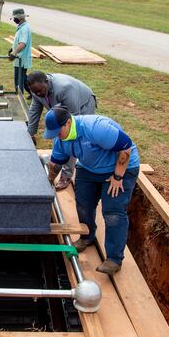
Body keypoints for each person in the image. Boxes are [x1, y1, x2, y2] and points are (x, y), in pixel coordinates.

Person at [43, 105, 140, 276]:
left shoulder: (95, 128)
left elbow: (126, 147)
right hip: (89, 168)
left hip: (118, 168)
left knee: (113, 212)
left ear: (68, 123)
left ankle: (114, 259)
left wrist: (118, 177)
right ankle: (87, 237)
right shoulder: (61, 139)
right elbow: (56, 163)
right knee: (83, 203)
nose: (57, 136)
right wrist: (48, 182)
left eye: (58, 132)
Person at [27, 71, 97, 190]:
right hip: (61, 108)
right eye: (36, 92)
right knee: (60, 138)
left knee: (70, 139)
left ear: (47, 82)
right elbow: (35, 110)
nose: (39, 94)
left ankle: (66, 175)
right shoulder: (37, 91)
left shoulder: (64, 88)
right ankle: (59, 162)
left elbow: (73, 120)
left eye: (41, 90)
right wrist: (31, 132)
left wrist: (61, 139)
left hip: (83, 105)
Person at [8, 8, 32, 98]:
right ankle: (33, 93)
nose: (14, 20)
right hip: (20, 58)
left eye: (15, 18)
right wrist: (12, 49)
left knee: (19, 80)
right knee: (23, 78)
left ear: (21, 18)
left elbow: (23, 43)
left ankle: (19, 98)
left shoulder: (24, 28)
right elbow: (18, 41)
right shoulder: (22, 27)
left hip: (21, 58)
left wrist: (14, 52)